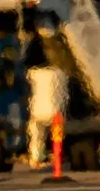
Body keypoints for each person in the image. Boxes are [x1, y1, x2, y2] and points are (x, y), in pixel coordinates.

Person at [25, 29, 69, 168]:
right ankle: (57, 157)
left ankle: (36, 157)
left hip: (37, 109)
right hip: (55, 110)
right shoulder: (59, 74)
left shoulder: (32, 74)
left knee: (36, 133)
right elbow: (64, 93)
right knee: (57, 135)